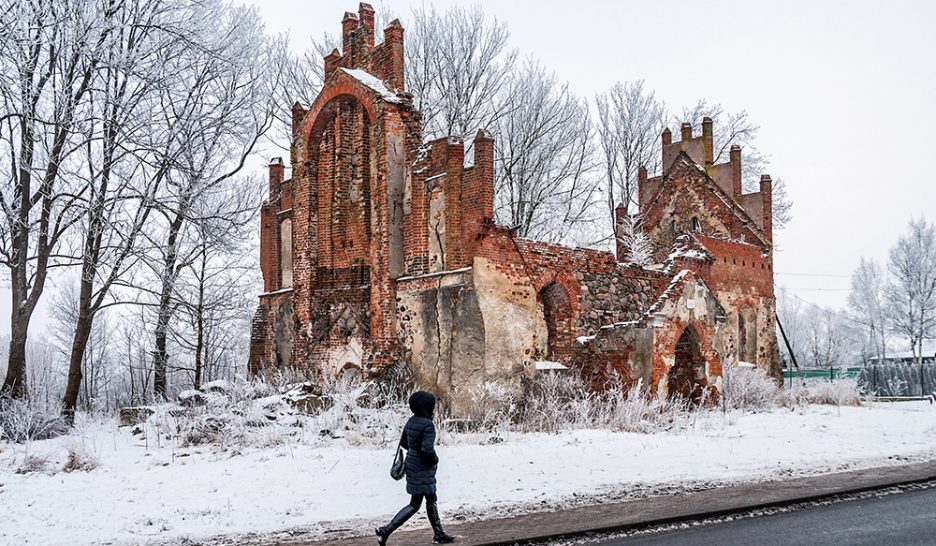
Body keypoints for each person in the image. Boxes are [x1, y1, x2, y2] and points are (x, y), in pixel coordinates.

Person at [376, 391, 456, 545]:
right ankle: (385, 530)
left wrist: (415, 450)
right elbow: (427, 450)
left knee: (431, 498)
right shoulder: (428, 425)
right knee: (415, 504)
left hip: (412, 464)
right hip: (423, 468)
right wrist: (435, 460)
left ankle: (439, 534)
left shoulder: (411, 421)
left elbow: (404, 443)